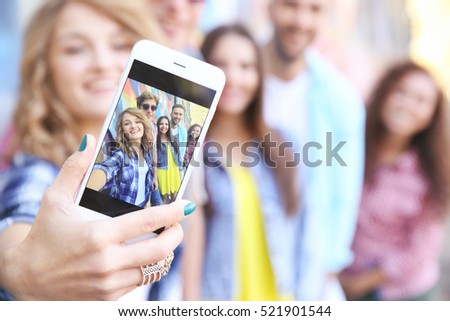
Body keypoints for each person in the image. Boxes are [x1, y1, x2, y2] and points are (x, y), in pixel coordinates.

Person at [0, 0, 192, 300]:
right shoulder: (37, 172)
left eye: (119, 44)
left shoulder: (153, 160)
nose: (102, 62)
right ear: (45, 68)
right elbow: (17, 224)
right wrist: (18, 270)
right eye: (75, 49)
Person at [181, 24, 300, 301]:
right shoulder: (190, 153)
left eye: (246, 66)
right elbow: (188, 247)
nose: (233, 77)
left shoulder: (282, 145)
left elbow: (304, 235)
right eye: (220, 65)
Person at [262, 0, 366, 300]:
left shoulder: (340, 99)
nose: (301, 20)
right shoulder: (237, 79)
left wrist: (327, 269)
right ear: (269, 7)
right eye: (290, 6)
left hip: (304, 277)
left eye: (314, 9)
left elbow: (343, 198)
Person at [339, 61, 450, 301]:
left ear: (431, 115)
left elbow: (420, 249)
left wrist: (360, 284)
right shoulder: (351, 147)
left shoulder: (431, 174)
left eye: (421, 101)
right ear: (385, 93)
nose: (407, 105)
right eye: (401, 92)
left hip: (400, 293)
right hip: (341, 279)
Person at [87, 108, 155, 207]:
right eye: (127, 123)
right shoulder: (121, 154)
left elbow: (145, 181)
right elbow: (106, 168)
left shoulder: (146, 152)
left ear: (143, 125)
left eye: (137, 121)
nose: (133, 126)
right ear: (122, 130)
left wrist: (147, 203)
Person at [136, 91, 163, 206]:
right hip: (138, 176)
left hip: (150, 174)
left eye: (153, 108)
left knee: (158, 206)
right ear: (139, 107)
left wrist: (155, 177)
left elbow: (154, 152)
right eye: (146, 106)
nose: (150, 111)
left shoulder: (154, 127)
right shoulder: (134, 126)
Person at [156, 116, 182, 204]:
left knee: (175, 197)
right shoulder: (156, 140)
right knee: (164, 198)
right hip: (162, 171)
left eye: (166, 124)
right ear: (158, 125)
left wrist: (180, 171)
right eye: (161, 124)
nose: (164, 126)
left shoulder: (173, 139)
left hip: (174, 170)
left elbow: (179, 156)